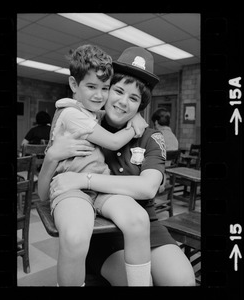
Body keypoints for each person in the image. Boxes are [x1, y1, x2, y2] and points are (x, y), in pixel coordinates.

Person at [39, 46, 196, 286]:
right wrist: (51, 157)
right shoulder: (86, 120)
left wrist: (85, 179)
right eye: (117, 91)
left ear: (141, 105)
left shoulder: (149, 135)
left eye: (133, 99)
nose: (122, 102)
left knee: (182, 281)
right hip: (100, 227)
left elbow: (147, 188)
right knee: (126, 276)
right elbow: (46, 190)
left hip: (140, 219)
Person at [43, 44, 151, 287]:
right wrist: (132, 127)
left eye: (105, 88)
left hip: (100, 188)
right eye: (91, 87)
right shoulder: (71, 114)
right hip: (72, 189)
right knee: (75, 236)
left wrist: (134, 113)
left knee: (138, 219)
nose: (100, 96)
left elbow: (110, 114)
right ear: (73, 85)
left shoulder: (90, 113)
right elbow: (112, 141)